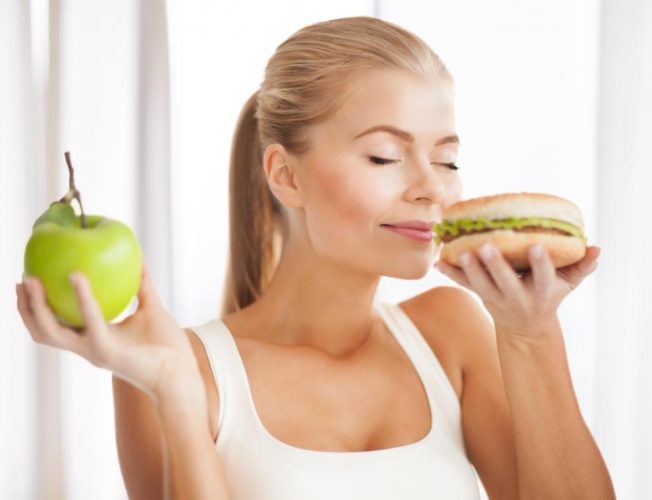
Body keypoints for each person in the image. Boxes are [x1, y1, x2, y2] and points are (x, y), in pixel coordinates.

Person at [16, 15, 616, 500]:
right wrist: (173, 390)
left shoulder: (452, 336)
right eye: (385, 156)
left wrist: (530, 334)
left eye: (448, 159)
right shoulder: (178, 369)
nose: (434, 188)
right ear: (286, 176)